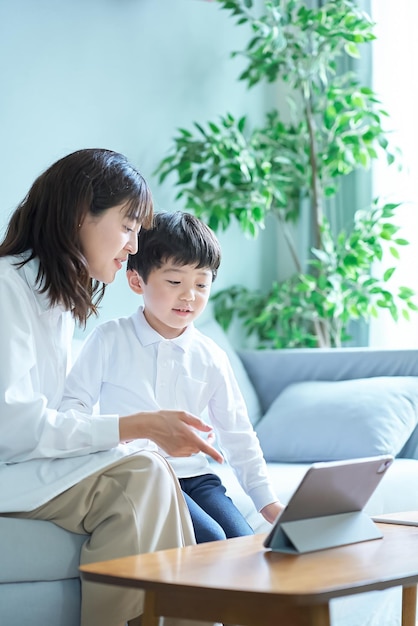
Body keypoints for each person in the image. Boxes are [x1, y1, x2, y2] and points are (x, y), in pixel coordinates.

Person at [0, 149, 223, 626]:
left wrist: (134, 436)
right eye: (127, 226)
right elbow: (14, 426)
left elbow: (55, 418)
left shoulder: (56, 302)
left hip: (26, 463)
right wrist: (136, 426)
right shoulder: (6, 289)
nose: (134, 245)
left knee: (147, 468)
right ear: (81, 215)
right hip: (9, 465)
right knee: (141, 472)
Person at [62, 210, 284, 543]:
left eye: (201, 284)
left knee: (241, 541)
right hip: (142, 477)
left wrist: (267, 502)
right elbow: (72, 408)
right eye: (175, 281)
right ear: (137, 280)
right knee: (209, 539)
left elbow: (238, 434)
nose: (189, 296)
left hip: (197, 478)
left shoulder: (210, 356)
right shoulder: (110, 339)